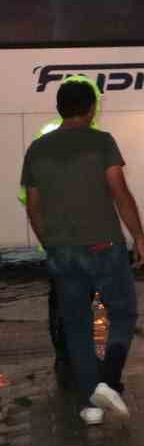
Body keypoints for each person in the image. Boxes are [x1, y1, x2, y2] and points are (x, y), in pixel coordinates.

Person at [19, 79, 144, 426]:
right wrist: (137, 236)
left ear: (60, 109)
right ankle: (108, 380)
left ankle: (90, 404)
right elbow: (119, 193)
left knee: (76, 325)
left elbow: (33, 206)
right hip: (103, 244)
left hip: (62, 249)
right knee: (122, 313)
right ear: (91, 109)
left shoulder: (37, 149)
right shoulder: (101, 142)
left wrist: (50, 243)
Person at [15, 74, 103, 375]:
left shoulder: (48, 137)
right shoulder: (80, 137)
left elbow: (30, 196)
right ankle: (72, 358)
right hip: (73, 234)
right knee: (73, 298)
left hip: (61, 234)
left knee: (66, 297)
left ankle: (68, 357)